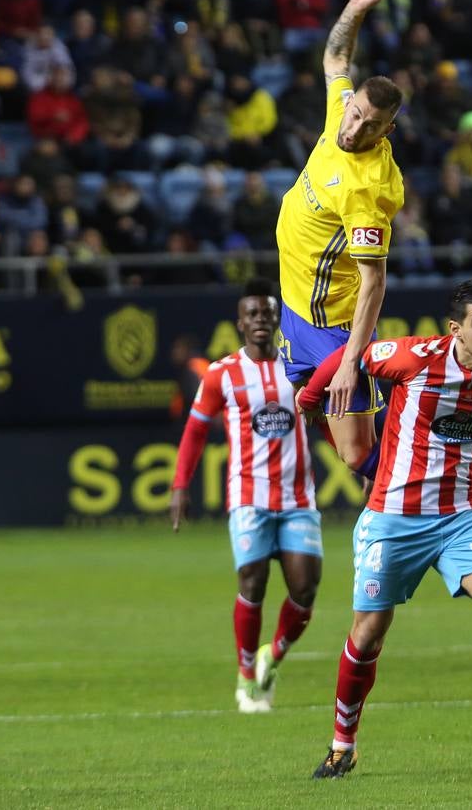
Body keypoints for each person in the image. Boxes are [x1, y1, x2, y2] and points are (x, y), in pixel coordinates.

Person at [301, 278, 472, 778]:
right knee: (368, 633)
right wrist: (311, 398)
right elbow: (346, 358)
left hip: (461, 518)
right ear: (455, 330)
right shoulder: (415, 357)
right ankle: (342, 744)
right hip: (393, 520)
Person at [274, 0, 405, 481]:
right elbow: (335, 60)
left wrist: (351, 361)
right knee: (319, 421)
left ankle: (422, 489)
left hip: (332, 324)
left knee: (356, 456)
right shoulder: (338, 119)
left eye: (370, 125)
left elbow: (375, 280)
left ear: (386, 130)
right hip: (295, 302)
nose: (354, 129)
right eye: (354, 115)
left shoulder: (366, 189)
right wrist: (356, 7)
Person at [169, 281, 321, 714]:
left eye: (267, 314)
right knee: (252, 582)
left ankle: (273, 654)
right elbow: (196, 429)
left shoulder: (299, 369)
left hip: (297, 499)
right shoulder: (222, 374)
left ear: (278, 320)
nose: (260, 321)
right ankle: (246, 670)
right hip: (248, 497)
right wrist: (181, 484)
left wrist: (361, 463)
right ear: (240, 323)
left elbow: (325, 421)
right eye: (252, 315)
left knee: (305, 590)